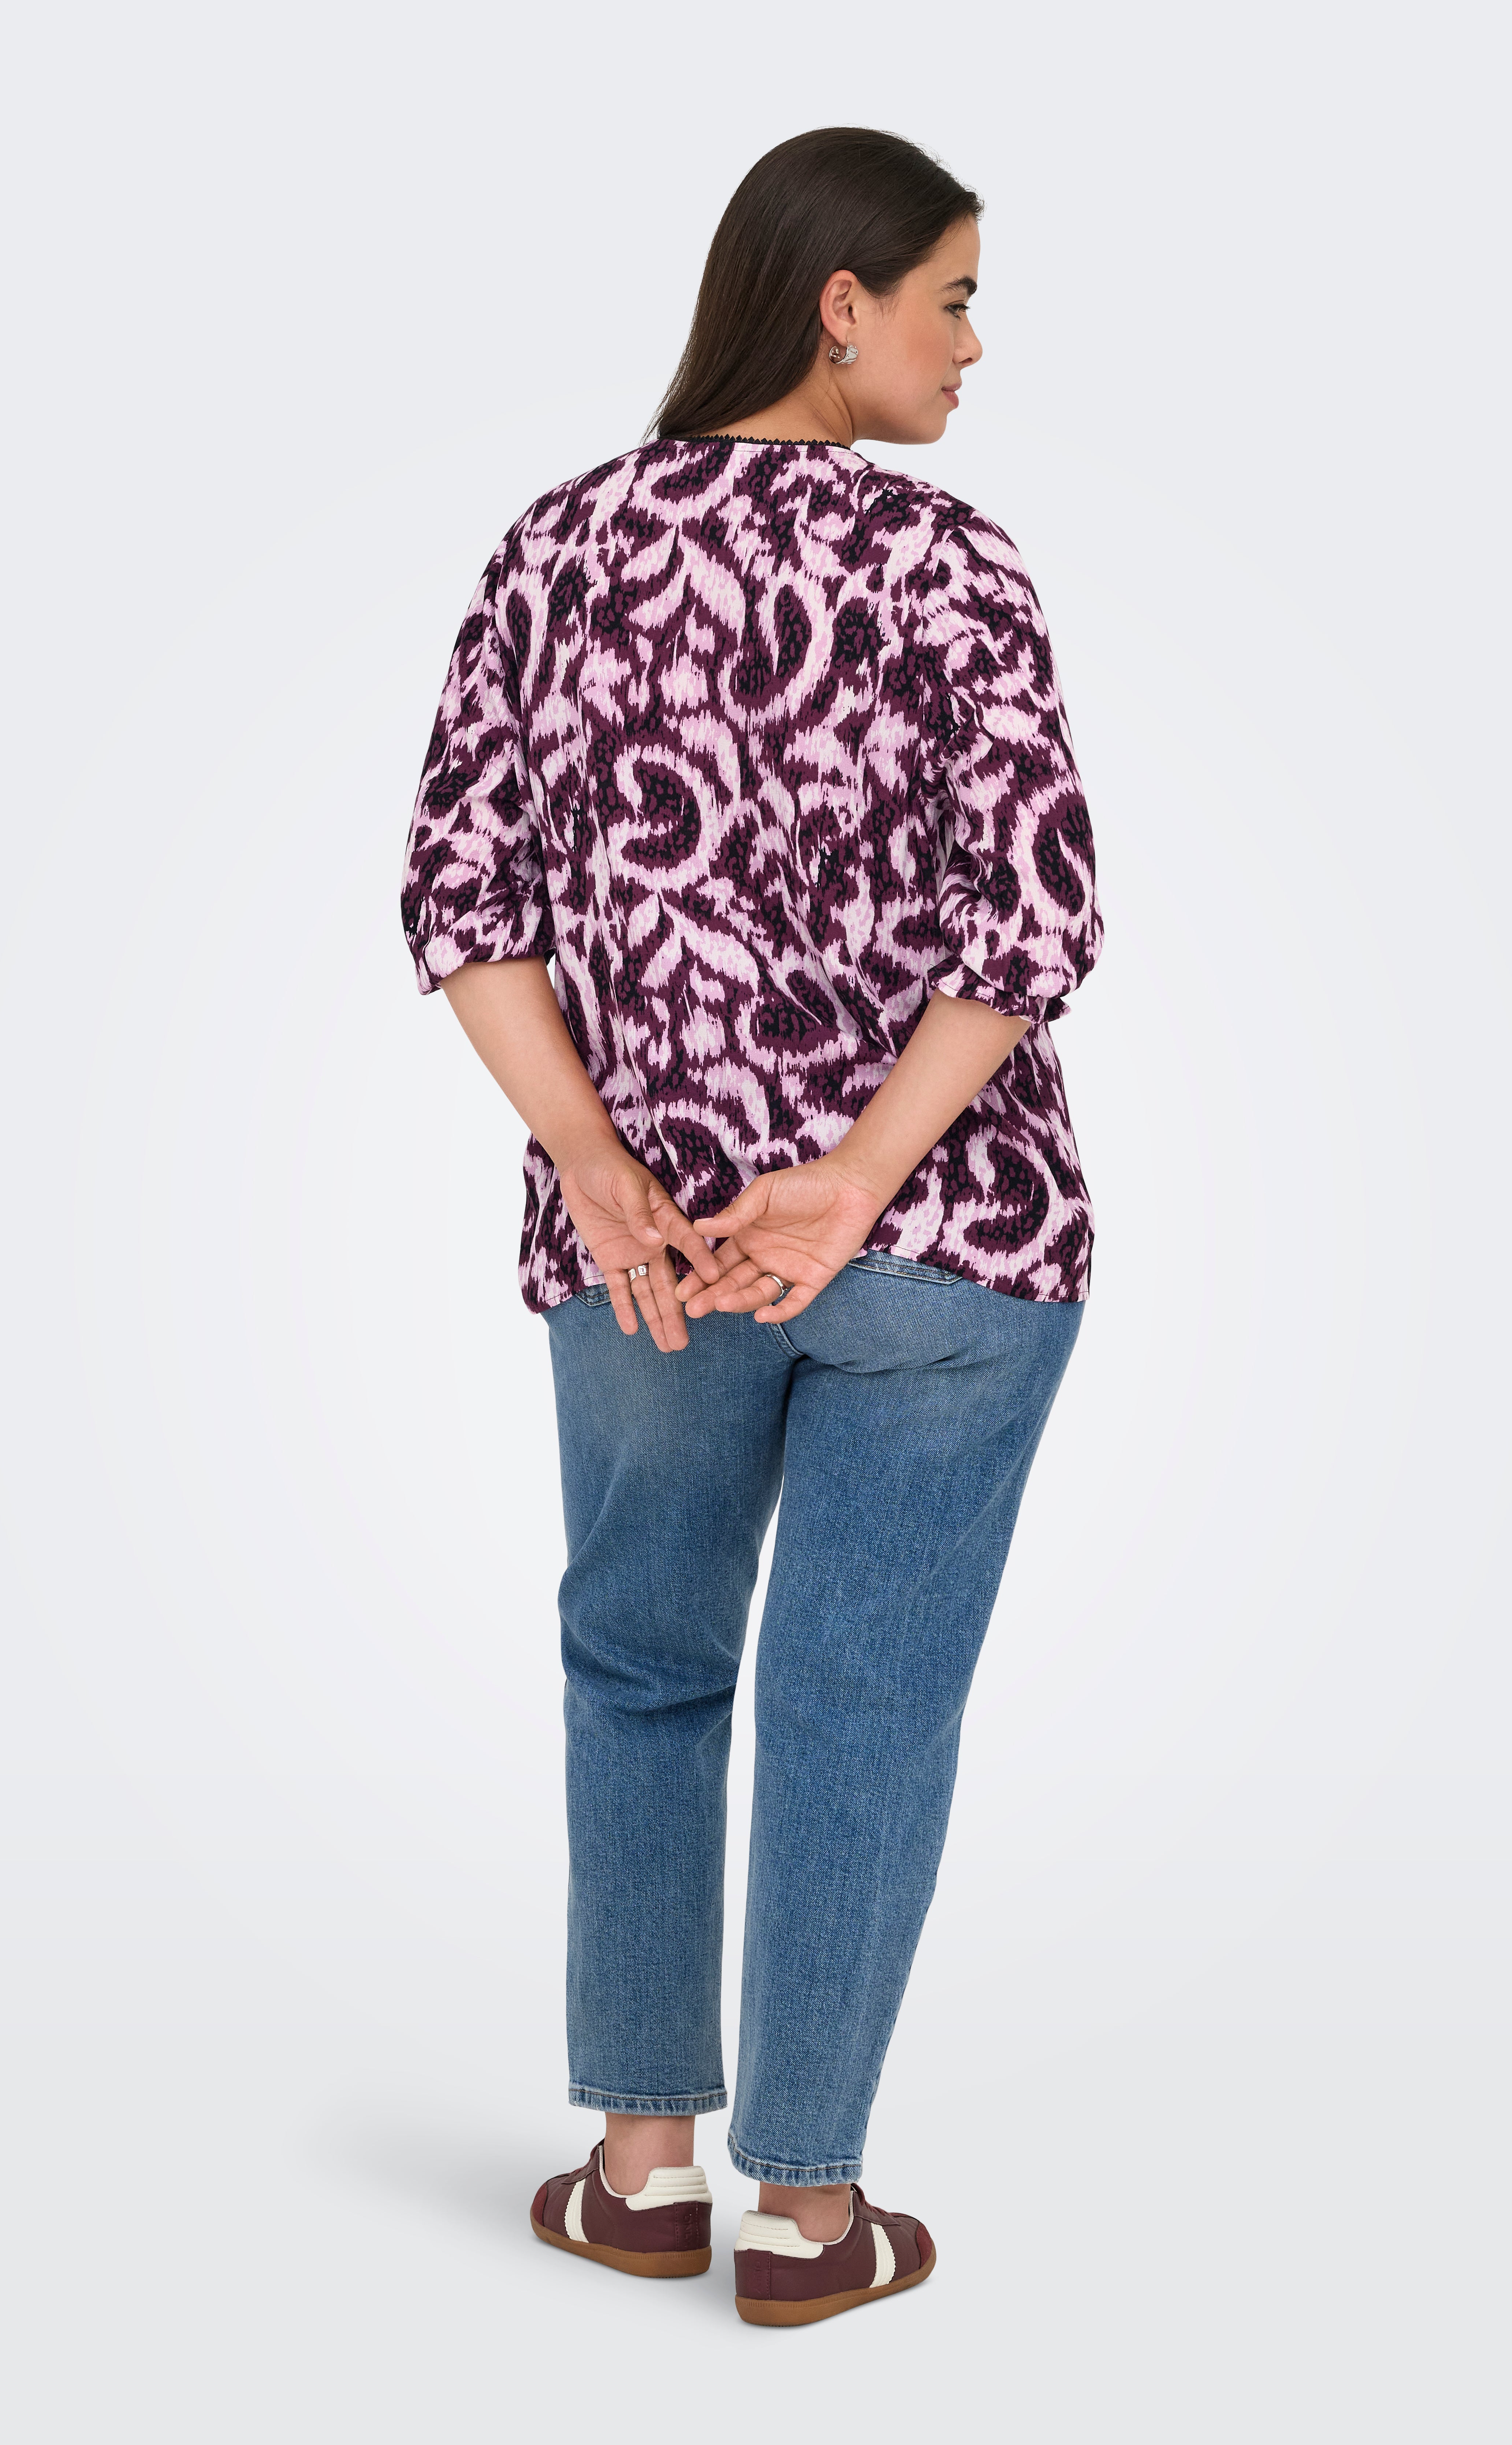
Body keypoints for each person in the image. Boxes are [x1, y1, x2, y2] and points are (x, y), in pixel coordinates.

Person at [400, 125, 1102, 2327]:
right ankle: (808, 2218)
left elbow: (460, 900)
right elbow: (1036, 920)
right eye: (953, 298)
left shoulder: (558, 547)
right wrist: (863, 1177)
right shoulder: (953, 566)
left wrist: (595, 1160)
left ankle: (636, 2174)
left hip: (649, 1259)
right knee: (861, 1700)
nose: (972, 346)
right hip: (944, 1242)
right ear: (839, 302)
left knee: (643, 1666)